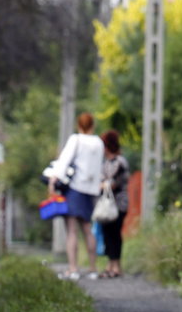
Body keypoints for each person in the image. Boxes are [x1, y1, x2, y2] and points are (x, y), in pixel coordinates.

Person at [48, 111, 104, 280]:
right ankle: (93, 268)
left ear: (79, 125)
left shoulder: (76, 139)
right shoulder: (99, 143)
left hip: (75, 189)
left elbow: (64, 161)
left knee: (71, 229)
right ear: (92, 125)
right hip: (91, 190)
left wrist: (53, 180)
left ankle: (73, 269)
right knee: (88, 229)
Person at [99, 129, 130, 278]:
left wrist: (102, 184)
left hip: (119, 204)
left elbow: (113, 182)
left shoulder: (120, 162)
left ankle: (116, 265)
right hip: (106, 204)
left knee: (115, 233)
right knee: (107, 233)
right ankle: (110, 263)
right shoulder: (105, 163)